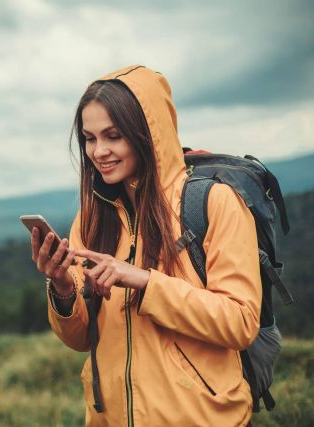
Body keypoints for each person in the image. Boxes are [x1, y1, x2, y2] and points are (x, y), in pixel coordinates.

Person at [30, 65, 261, 426]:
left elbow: (241, 323)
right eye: (90, 138)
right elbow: (80, 340)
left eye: (113, 136)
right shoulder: (91, 218)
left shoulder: (215, 203)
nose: (99, 151)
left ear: (146, 135)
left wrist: (145, 281)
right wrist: (62, 288)